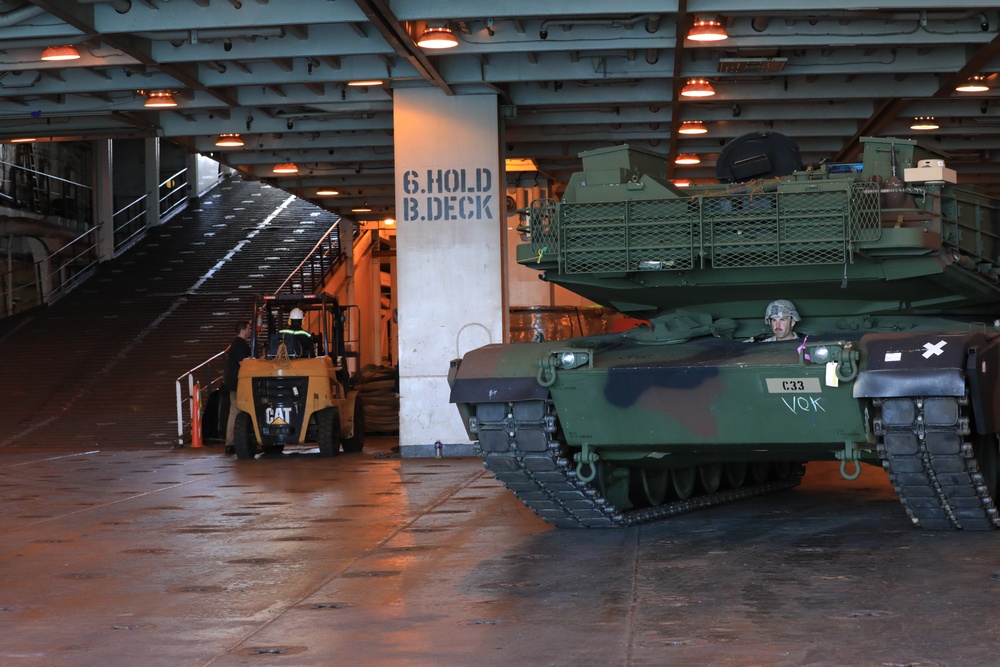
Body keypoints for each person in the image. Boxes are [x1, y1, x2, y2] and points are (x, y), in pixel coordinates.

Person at [224, 320, 253, 454]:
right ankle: (231, 442)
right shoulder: (240, 345)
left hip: (233, 382)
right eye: (248, 328)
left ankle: (231, 442)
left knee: (234, 410)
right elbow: (244, 364)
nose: (250, 331)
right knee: (235, 411)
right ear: (242, 330)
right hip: (238, 384)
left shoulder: (235, 344)